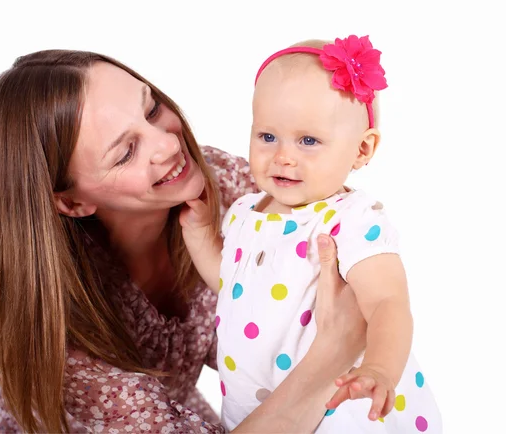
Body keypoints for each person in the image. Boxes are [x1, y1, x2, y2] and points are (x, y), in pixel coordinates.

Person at [0, 49, 368, 433]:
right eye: (126, 152)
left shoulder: (232, 190)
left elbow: (339, 245)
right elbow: (332, 335)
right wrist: (331, 355)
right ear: (72, 201)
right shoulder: (65, 341)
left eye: (150, 110)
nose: (167, 144)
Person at [181, 36, 442, 432]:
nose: (284, 156)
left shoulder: (350, 219)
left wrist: (379, 368)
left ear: (361, 150)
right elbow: (235, 285)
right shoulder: (245, 211)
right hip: (260, 406)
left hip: (340, 403)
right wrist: (201, 236)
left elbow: (388, 302)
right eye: (268, 136)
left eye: (309, 141)